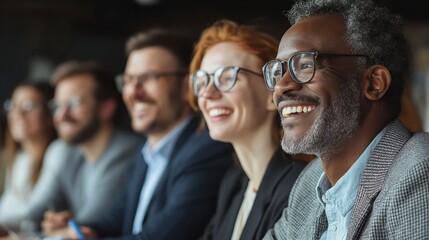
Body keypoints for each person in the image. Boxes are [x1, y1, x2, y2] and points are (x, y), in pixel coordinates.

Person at [262, 0, 429, 239]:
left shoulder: (419, 170)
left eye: (305, 64)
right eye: (279, 71)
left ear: (374, 83)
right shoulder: (311, 181)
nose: (281, 86)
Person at [72, 29, 233, 240]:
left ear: (187, 87)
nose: (133, 92)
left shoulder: (206, 148)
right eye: (128, 80)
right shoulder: (145, 151)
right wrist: (79, 230)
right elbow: (115, 219)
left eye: (148, 78)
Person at [188, 20, 306, 240]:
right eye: (203, 81)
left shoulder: (298, 187)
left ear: (273, 93)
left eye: (228, 77)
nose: (208, 94)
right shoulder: (233, 182)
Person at [26, 61, 142, 235]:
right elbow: (33, 217)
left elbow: (90, 225)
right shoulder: (66, 152)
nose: (62, 115)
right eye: (57, 105)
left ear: (106, 108)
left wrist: (62, 230)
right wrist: (55, 225)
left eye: (73, 103)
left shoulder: (126, 152)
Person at [0, 82, 57, 233]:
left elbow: (33, 215)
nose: (18, 113)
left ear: (50, 114)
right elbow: (7, 209)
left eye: (28, 106)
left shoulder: (57, 156)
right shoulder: (19, 160)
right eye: (13, 105)